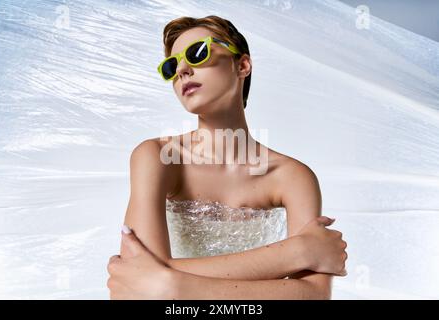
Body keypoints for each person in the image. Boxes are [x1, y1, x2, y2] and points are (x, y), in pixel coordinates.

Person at [107, 15, 347, 299]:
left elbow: (314, 297)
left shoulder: (293, 177)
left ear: (242, 65)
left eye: (197, 53)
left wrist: (169, 283)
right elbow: (135, 293)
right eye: (172, 66)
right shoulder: (156, 157)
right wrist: (298, 251)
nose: (182, 69)